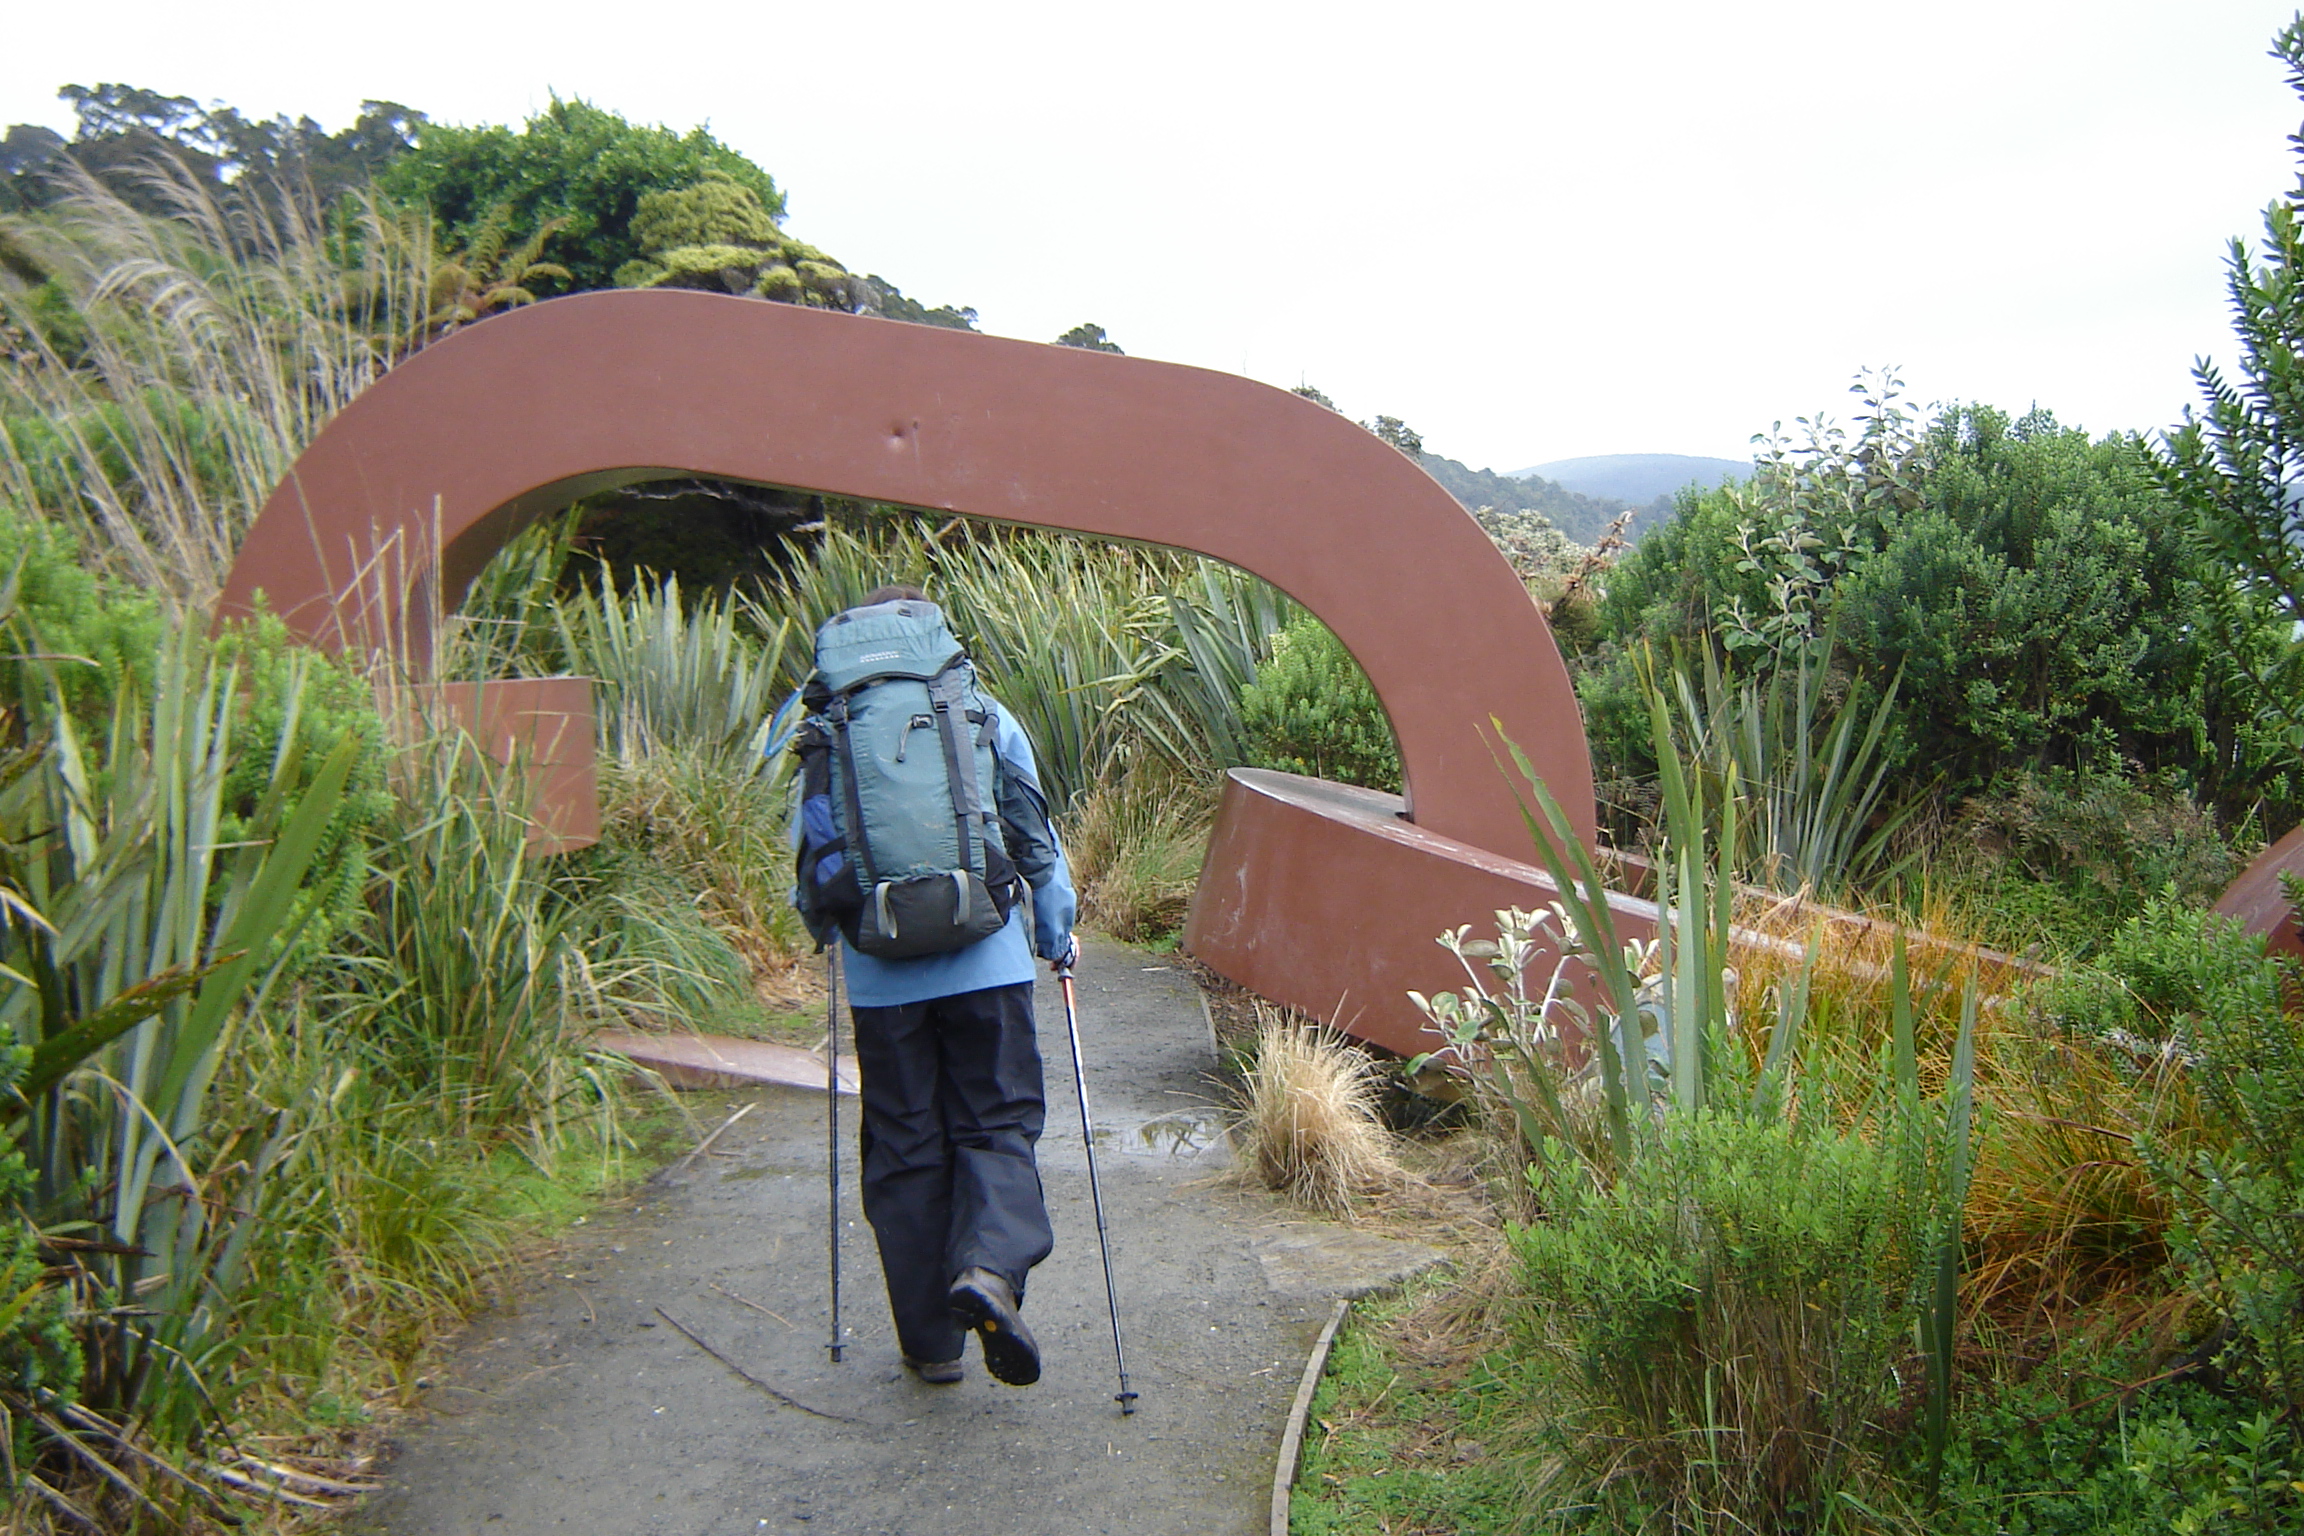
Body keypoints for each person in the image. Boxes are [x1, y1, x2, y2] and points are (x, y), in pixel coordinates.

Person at [794, 583, 1078, 1388]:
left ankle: (928, 1344)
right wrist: (1055, 937)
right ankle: (988, 1271)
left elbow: (810, 852)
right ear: (933, 633)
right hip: (988, 960)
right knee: (997, 1123)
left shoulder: (828, 724)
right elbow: (1034, 837)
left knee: (906, 1145)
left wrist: (832, 937)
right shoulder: (977, 708)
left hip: (883, 976)